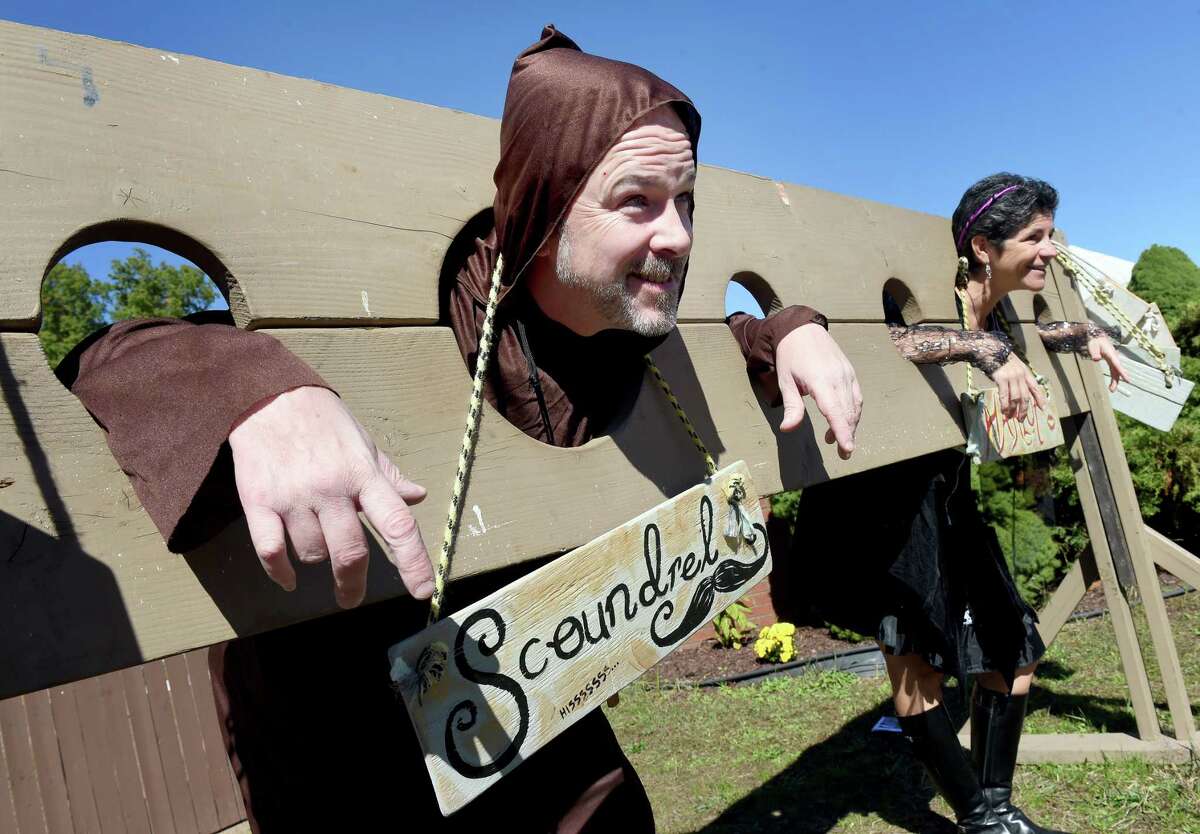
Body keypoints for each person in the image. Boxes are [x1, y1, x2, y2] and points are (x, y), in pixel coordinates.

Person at [59, 27, 863, 832]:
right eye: (638, 201)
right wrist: (258, 391)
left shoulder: (621, 326)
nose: (680, 235)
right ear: (548, 202)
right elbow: (97, 354)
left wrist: (786, 328)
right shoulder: (433, 305)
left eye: (685, 200)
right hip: (344, 741)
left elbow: (705, 338)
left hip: (533, 714)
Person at [793, 173, 1128, 834]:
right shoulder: (936, 307)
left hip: (947, 495)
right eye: (1036, 237)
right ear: (981, 245)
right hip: (877, 508)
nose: (1051, 250)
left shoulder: (1002, 312)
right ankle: (983, 819)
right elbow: (881, 344)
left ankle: (994, 810)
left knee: (1016, 652)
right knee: (916, 668)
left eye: (1051, 236)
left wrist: (1082, 333)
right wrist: (984, 348)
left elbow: (1034, 332)